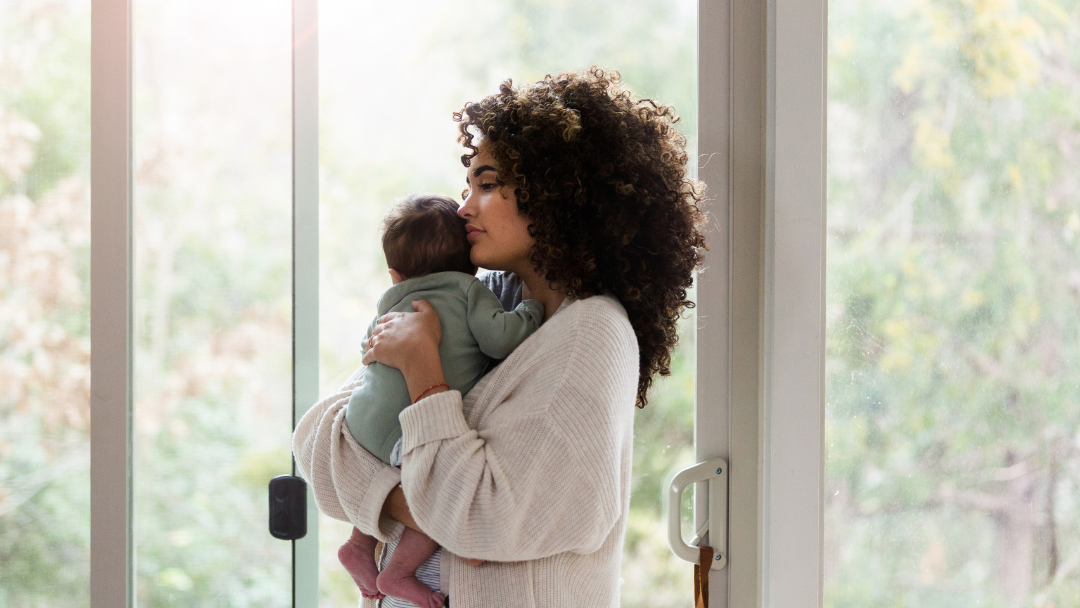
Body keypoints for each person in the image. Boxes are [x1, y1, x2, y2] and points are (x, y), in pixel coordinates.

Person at [293, 66, 707, 608]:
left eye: (487, 185)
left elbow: (480, 520)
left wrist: (424, 374)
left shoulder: (591, 337)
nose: (464, 209)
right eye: (469, 186)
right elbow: (320, 442)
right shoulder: (481, 296)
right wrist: (415, 507)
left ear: (560, 195)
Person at [336, 193, 544, 607]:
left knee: (387, 472)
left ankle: (359, 544)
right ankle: (398, 573)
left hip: (361, 419)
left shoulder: (390, 299)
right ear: (471, 264)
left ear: (395, 274)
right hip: (408, 427)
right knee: (431, 491)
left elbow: (368, 348)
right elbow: (499, 339)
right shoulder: (469, 290)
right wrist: (532, 311)